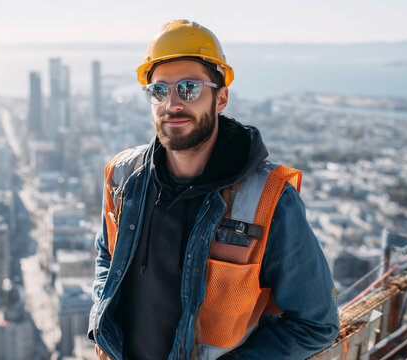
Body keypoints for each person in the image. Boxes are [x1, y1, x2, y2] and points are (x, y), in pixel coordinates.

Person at [88, 19, 340, 360]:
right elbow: (107, 256)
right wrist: (102, 327)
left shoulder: (269, 200)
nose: (172, 103)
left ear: (220, 98)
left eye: (189, 88)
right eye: (159, 90)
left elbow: (315, 325)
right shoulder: (122, 177)